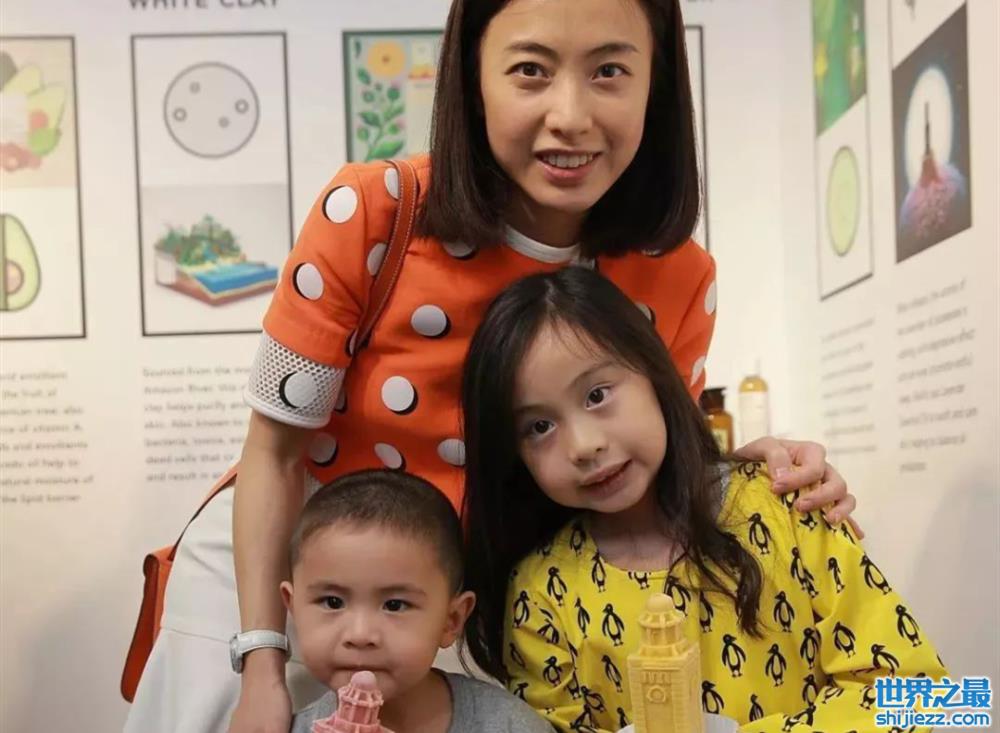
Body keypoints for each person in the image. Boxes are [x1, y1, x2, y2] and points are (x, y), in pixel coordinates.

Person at [123, 1, 858, 731]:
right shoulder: (371, 212)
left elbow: (921, 696)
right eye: (531, 70)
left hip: (465, 610)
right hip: (286, 592)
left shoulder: (680, 277)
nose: (570, 116)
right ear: (472, 77)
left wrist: (743, 470)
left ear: (656, 85)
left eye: (609, 70)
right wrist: (261, 662)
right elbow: (273, 452)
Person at [459, 267, 948, 732]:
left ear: (654, 374)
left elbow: (928, 698)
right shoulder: (540, 592)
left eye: (597, 395)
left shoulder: (788, 509)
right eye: (539, 426)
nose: (583, 445)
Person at [282, 469, 552, 733]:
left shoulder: (510, 724)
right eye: (332, 602)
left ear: (451, 620)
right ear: (293, 608)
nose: (360, 635)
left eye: (394, 605)